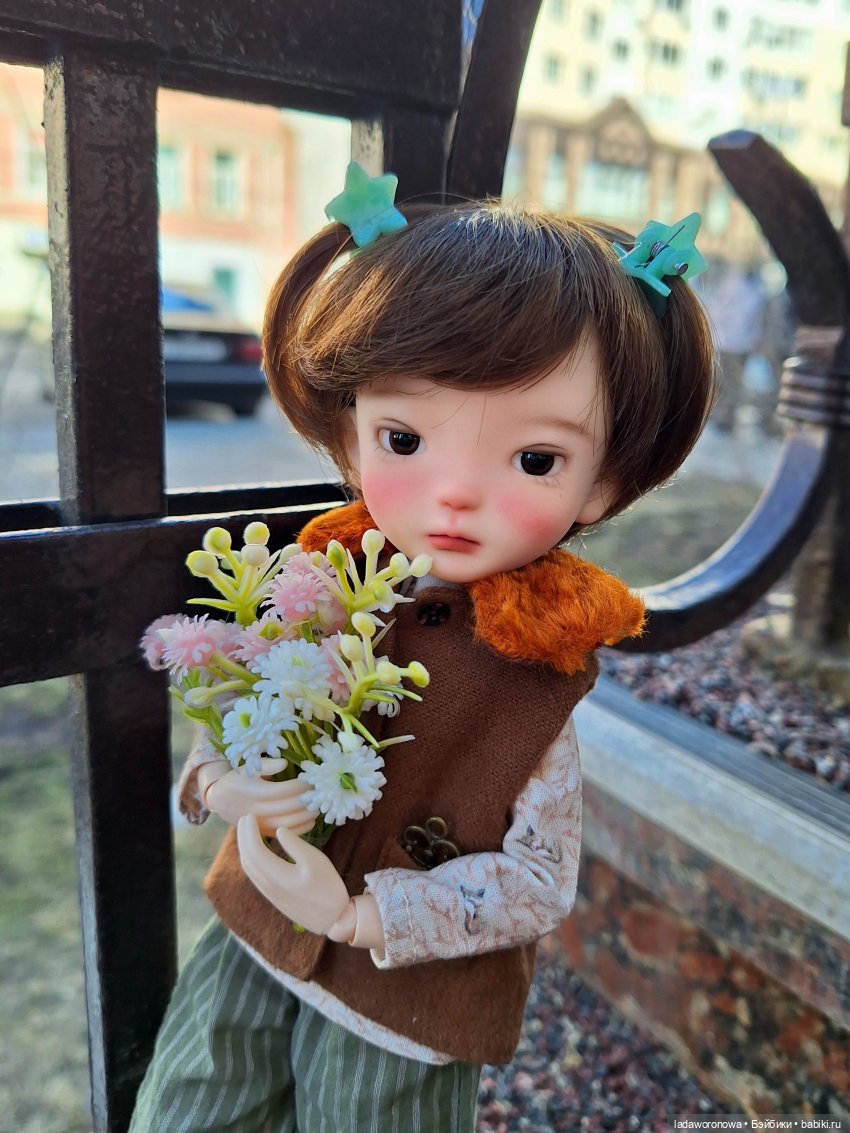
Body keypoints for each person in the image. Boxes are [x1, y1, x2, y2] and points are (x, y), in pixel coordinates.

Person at [131, 167, 717, 1133]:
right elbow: (240, 699)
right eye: (404, 437)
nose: (455, 493)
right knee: (187, 1110)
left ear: (601, 483)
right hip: (251, 930)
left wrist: (364, 915)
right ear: (352, 435)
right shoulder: (322, 579)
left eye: (535, 459)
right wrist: (220, 785)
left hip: (404, 1012)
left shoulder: (542, 673)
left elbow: (539, 879)